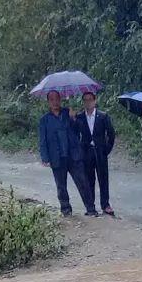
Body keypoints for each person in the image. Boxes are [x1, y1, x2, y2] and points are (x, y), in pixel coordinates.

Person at [38, 89, 97, 217]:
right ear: (48, 102)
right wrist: (45, 157)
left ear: (60, 99)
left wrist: (73, 118)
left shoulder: (68, 113)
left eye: (57, 99)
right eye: (52, 99)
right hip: (57, 157)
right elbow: (43, 140)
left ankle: (91, 209)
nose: (55, 102)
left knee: (83, 182)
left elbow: (80, 130)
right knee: (61, 186)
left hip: (73, 154)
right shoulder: (45, 120)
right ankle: (66, 209)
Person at [75, 91, 116, 217]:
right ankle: (90, 205)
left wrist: (106, 149)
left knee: (103, 178)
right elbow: (76, 134)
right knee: (89, 179)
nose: (88, 102)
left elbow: (111, 134)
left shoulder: (103, 116)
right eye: (85, 100)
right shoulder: (80, 117)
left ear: (95, 101)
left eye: (90, 100)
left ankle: (105, 204)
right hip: (87, 151)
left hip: (100, 151)